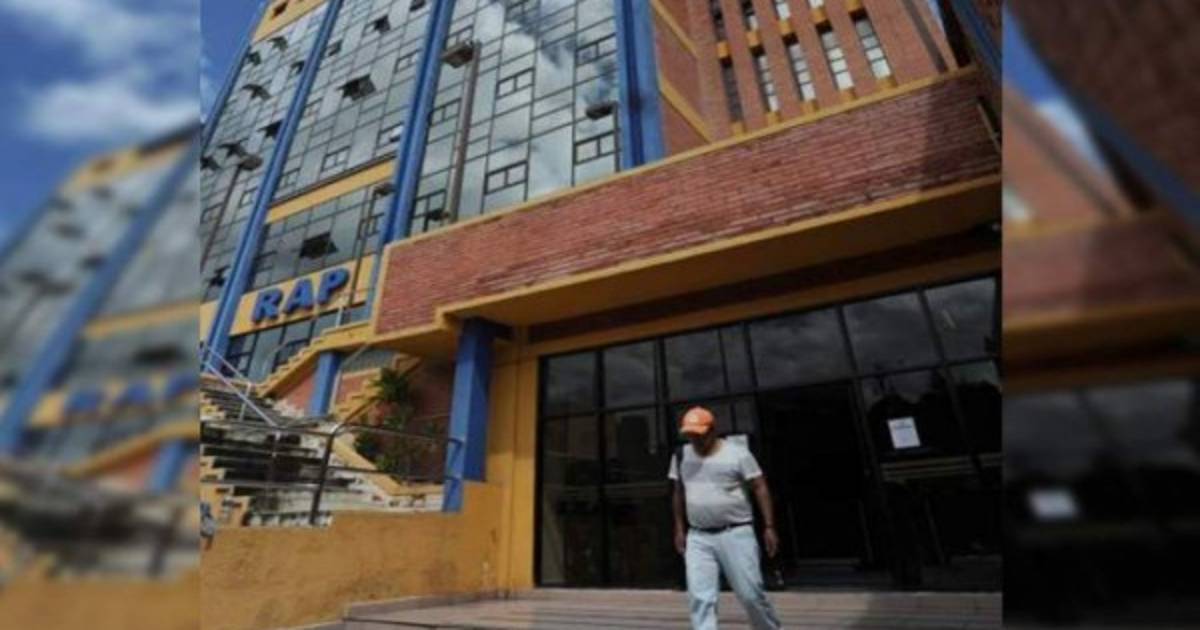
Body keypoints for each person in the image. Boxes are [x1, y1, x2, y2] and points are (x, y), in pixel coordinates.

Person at [669, 406, 783, 630]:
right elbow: (678, 492)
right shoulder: (681, 455)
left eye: (699, 435)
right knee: (700, 598)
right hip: (698, 537)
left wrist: (769, 526)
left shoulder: (737, 454)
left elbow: (759, 486)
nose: (695, 440)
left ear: (712, 431)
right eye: (690, 435)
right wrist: (679, 528)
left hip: (736, 533)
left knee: (751, 594)